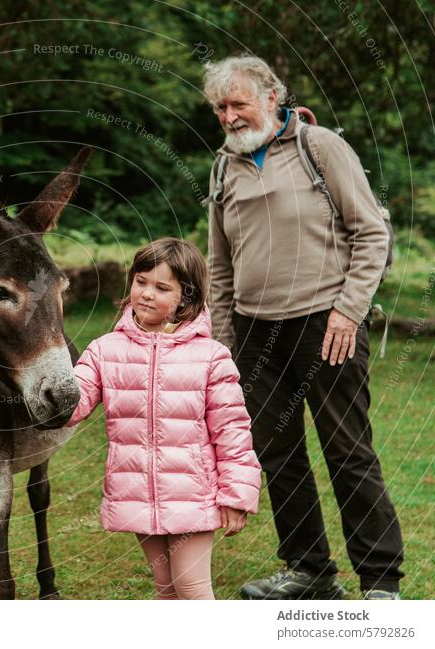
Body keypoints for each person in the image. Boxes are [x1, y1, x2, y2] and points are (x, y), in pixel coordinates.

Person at [204, 54, 404, 600]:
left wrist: (349, 310)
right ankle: (309, 570)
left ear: (272, 96)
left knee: (347, 450)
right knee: (278, 455)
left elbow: (371, 235)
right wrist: (224, 344)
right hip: (252, 333)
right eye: (220, 107)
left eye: (238, 103)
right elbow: (219, 265)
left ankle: (381, 579)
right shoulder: (225, 165)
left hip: (326, 324)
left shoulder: (322, 149)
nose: (229, 116)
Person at [67, 237, 261, 599]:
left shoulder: (211, 357)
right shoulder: (105, 350)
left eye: (161, 287)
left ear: (184, 297)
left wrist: (237, 494)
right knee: (166, 588)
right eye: (141, 281)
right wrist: (36, 386)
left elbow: (232, 430)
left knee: (191, 588)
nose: (146, 294)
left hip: (194, 493)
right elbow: (71, 405)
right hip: (138, 492)